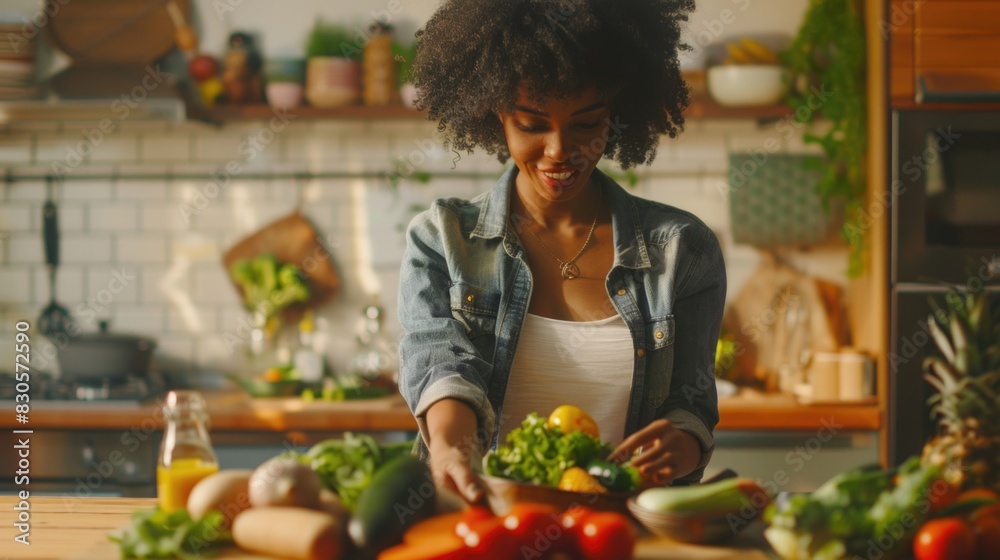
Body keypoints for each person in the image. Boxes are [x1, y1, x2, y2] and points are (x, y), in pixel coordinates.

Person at [397, 0, 724, 503]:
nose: (558, 150)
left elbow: (692, 401)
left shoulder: (684, 250)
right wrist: (450, 447)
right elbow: (442, 365)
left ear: (617, 117)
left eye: (587, 124)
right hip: (483, 520)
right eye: (532, 125)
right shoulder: (442, 239)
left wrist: (681, 445)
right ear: (495, 115)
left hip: (620, 530)